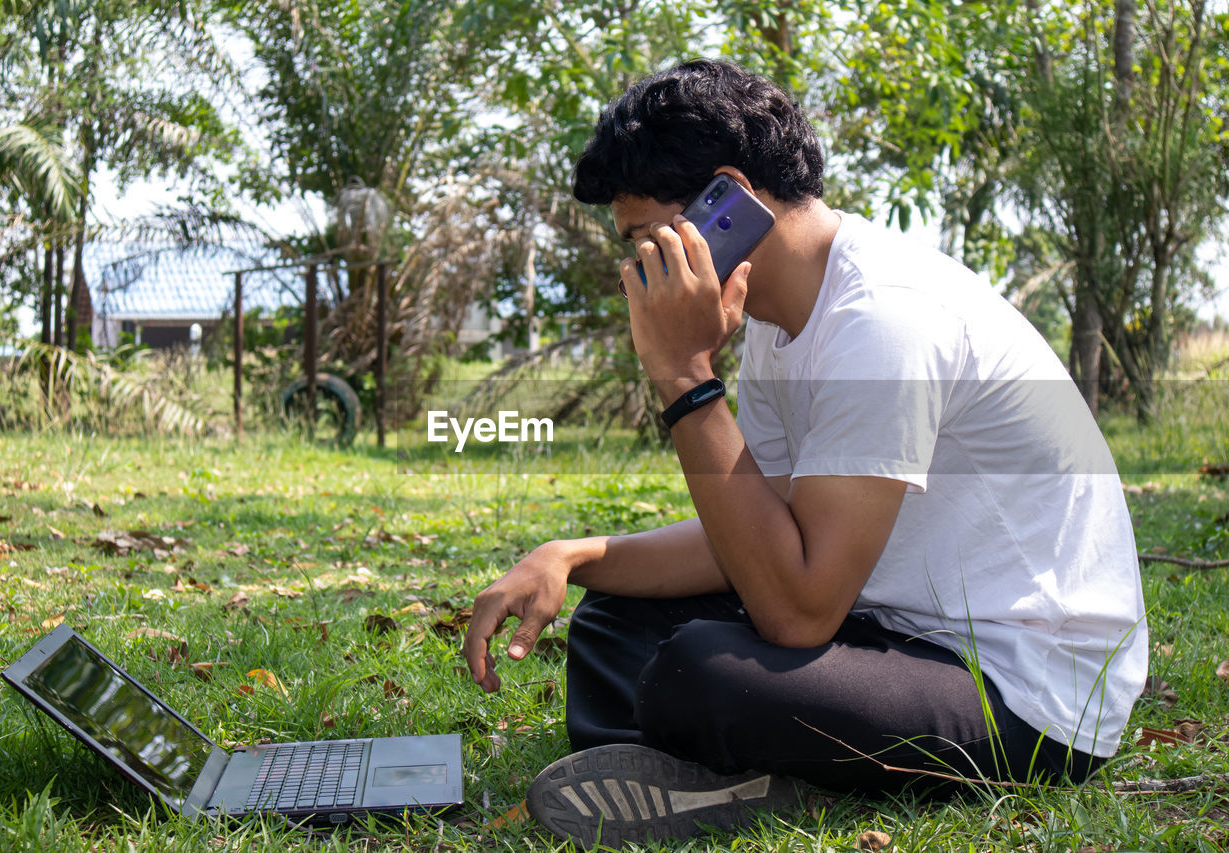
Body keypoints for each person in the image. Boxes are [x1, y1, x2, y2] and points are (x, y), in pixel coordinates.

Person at [462, 58, 1148, 848]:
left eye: (647, 242)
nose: (636, 275)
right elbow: (762, 535)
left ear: (727, 200)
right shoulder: (782, 321)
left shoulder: (884, 318)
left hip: (1025, 696)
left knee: (702, 670)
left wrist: (685, 379)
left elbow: (796, 609)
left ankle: (747, 774)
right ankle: (718, 774)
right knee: (616, 618)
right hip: (896, 630)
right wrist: (575, 555)